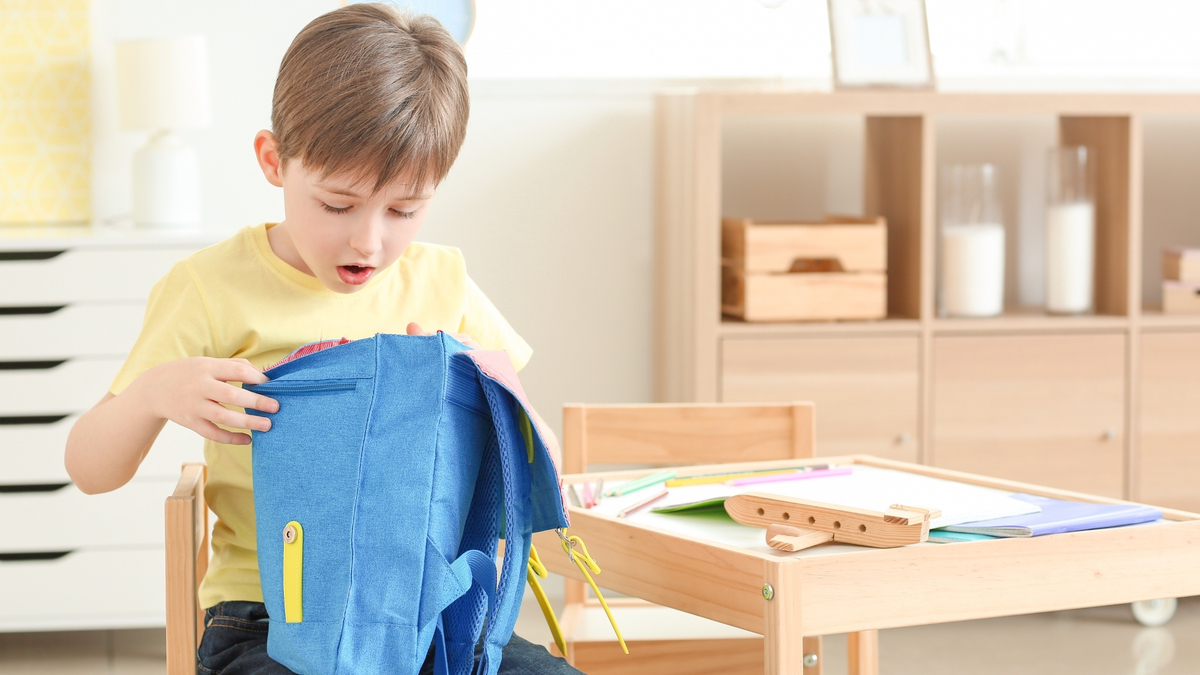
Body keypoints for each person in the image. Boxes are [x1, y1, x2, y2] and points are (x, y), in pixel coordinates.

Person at [64, 5, 582, 674]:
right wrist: (154, 394)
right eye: (337, 204)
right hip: (263, 616)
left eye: (404, 209)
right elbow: (88, 467)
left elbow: (542, 462)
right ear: (273, 161)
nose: (368, 239)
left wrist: (484, 389)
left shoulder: (443, 282)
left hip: (426, 611)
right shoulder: (210, 288)